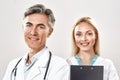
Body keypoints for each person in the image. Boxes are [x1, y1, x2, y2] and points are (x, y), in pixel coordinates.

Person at [3, 4, 69, 80]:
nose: (33, 32)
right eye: (29, 25)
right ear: (23, 28)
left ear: (50, 32)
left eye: (40, 27)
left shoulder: (60, 66)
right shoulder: (13, 65)